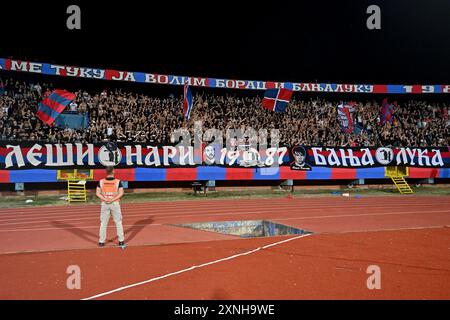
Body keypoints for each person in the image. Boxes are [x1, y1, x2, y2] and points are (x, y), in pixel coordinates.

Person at [96, 166, 126, 248]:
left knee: (103, 223)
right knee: (118, 222)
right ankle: (121, 241)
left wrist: (105, 198)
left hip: (105, 203)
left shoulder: (101, 181)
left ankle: (101, 242)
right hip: (115, 203)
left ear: (106, 172)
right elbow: (121, 193)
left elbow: (97, 193)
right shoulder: (118, 182)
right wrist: (113, 199)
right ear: (113, 171)